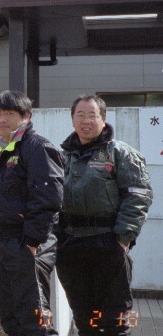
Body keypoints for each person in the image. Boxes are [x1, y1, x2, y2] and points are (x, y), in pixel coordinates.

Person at [56, 95, 153, 336]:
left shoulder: (120, 153)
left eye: (92, 115)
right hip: (71, 245)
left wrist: (123, 239)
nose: (85, 121)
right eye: (80, 115)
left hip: (108, 243)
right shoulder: (61, 156)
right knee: (84, 319)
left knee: (115, 320)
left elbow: (138, 195)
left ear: (103, 118)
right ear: (72, 119)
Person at [0, 90, 64, 336]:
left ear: (26, 116)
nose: (2, 119)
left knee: (35, 321)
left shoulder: (37, 147)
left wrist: (33, 242)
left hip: (26, 245)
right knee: (11, 319)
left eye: (10, 113)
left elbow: (48, 198)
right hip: (4, 245)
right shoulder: (9, 149)